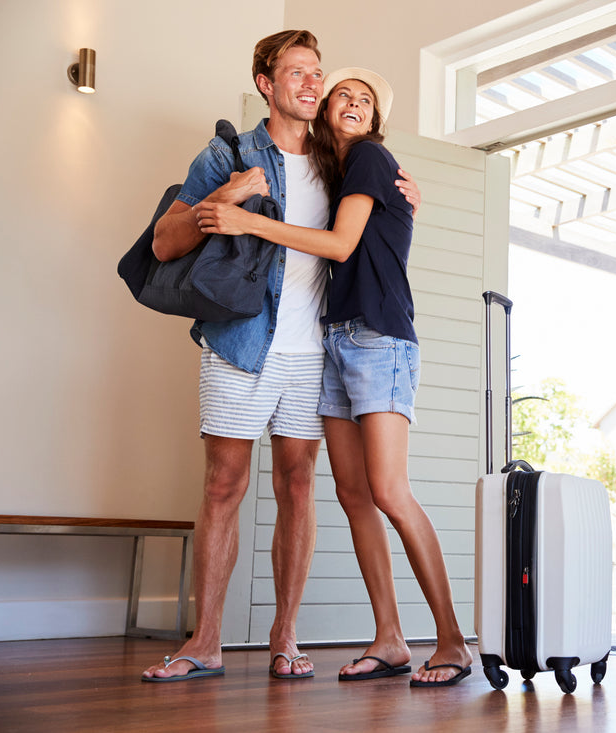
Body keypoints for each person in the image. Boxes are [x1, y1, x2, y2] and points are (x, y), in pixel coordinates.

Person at [141, 33, 421, 682]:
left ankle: (284, 637)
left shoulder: (342, 160)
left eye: (316, 74)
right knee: (223, 485)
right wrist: (227, 198)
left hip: (312, 354)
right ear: (266, 83)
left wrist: (414, 197)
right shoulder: (230, 152)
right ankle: (205, 640)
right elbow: (164, 239)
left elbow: (376, 227)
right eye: (296, 72)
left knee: (299, 486)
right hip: (241, 343)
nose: (311, 84)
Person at [194, 67, 473, 687]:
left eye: (365, 99)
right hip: (335, 339)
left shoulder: (373, 158)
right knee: (351, 496)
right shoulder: (337, 173)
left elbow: (343, 245)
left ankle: (452, 640)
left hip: (379, 339)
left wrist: (250, 223)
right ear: (324, 111)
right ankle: (391, 640)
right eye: (342, 93)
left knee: (388, 490)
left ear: (377, 121)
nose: (351, 101)